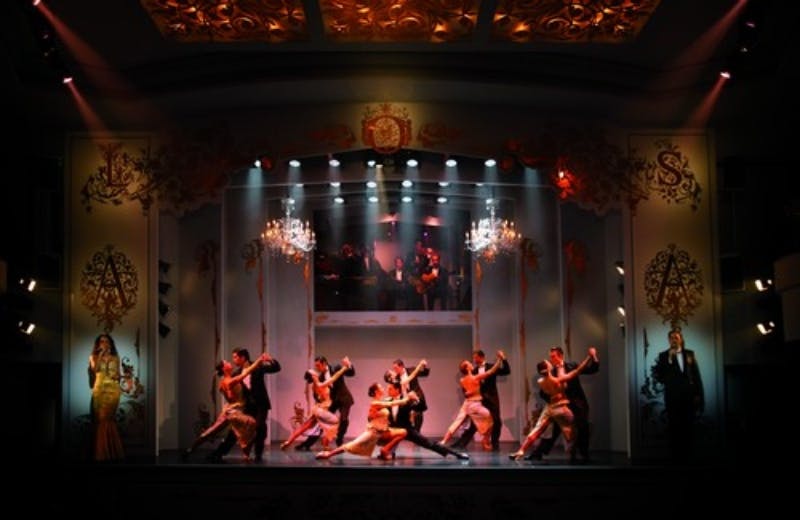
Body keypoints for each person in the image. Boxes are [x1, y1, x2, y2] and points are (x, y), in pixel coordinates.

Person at [509, 347, 598, 461]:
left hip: (576, 403)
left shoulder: (571, 365)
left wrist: (593, 356)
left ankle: (582, 453)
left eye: (553, 356)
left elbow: (590, 369)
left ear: (560, 355)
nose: (551, 359)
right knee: (552, 430)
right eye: (550, 357)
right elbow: (543, 392)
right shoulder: (551, 371)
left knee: (581, 428)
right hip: (559, 406)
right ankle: (538, 453)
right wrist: (553, 398)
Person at [183, 354, 269, 461]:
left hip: (231, 410)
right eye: (226, 363)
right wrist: (259, 360)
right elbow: (247, 372)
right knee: (250, 425)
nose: (229, 363)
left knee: (223, 431)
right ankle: (191, 449)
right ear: (224, 368)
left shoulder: (228, 379)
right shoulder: (228, 381)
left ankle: (191, 449)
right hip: (234, 412)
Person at [207, 348, 281, 462]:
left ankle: (258, 454)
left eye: (235, 357)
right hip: (248, 406)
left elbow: (276, 368)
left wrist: (270, 359)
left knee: (260, 427)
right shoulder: (237, 372)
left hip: (261, 404)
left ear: (243, 357)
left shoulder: (257, 366)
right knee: (234, 431)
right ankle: (219, 452)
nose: (233, 360)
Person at [315, 382, 411, 460]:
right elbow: (393, 403)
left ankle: (385, 451)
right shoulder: (375, 403)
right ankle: (329, 454)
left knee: (404, 432)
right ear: (376, 391)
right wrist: (407, 399)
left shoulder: (382, 401)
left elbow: (385, 407)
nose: (383, 388)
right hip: (373, 433)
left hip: (384, 432)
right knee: (352, 445)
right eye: (381, 387)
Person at [384, 378, 469, 460]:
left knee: (429, 443)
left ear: (397, 390)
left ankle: (456, 454)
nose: (388, 391)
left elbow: (422, 407)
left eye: (390, 389)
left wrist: (416, 399)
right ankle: (388, 453)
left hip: (407, 430)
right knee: (384, 441)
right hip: (394, 430)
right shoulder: (388, 402)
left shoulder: (405, 400)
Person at [652, 327, 704, 462]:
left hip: (689, 396)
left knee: (689, 424)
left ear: (681, 339)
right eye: (671, 337)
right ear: (668, 340)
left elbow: (696, 375)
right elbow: (660, 377)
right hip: (672, 396)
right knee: (674, 425)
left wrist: (698, 395)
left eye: (676, 337)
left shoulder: (690, 354)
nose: (673, 339)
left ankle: (689, 455)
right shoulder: (663, 356)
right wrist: (669, 360)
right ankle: (675, 455)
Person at [279, 357, 352, 450]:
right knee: (337, 423)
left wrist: (347, 367)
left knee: (306, 426)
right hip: (323, 409)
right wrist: (344, 368)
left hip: (321, 407)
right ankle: (326, 444)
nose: (316, 369)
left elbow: (319, 396)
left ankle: (289, 441)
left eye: (317, 366)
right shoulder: (321, 383)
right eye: (314, 369)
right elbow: (334, 377)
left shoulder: (316, 384)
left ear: (324, 363)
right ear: (313, 376)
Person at [440, 351, 506, 450]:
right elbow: (491, 371)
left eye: (474, 359)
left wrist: (469, 393)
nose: (472, 362)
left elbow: (467, 392)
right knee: (491, 419)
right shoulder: (475, 377)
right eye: (470, 363)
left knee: (457, 422)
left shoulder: (462, 380)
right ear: (467, 368)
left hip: (467, 404)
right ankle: (485, 439)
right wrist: (500, 359)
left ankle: (444, 441)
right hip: (475, 404)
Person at [88, 333, 125, 461]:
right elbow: (95, 369)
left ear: (110, 343)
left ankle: (112, 451)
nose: (104, 343)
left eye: (106, 341)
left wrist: (119, 377)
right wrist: (101, 354)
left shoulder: (116, 357)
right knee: (101, 419)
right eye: (101, 341)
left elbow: (119, 374)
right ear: (98, 344)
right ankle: (101, 453)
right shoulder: (93, 356)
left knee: (109, 419)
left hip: (113, 390)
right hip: (100, 390)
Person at [385, 358, 429, 431]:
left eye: (396, 368)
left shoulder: (411, 370)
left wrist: (423, 365)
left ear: (402, 366)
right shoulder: (397, 377)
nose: (395, 370)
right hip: (405, 400)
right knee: (405, 419)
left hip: (415, 397)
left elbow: (424, 373)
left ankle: (417, 433)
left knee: (418, 416)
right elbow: (392, 384)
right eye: (393, 369)